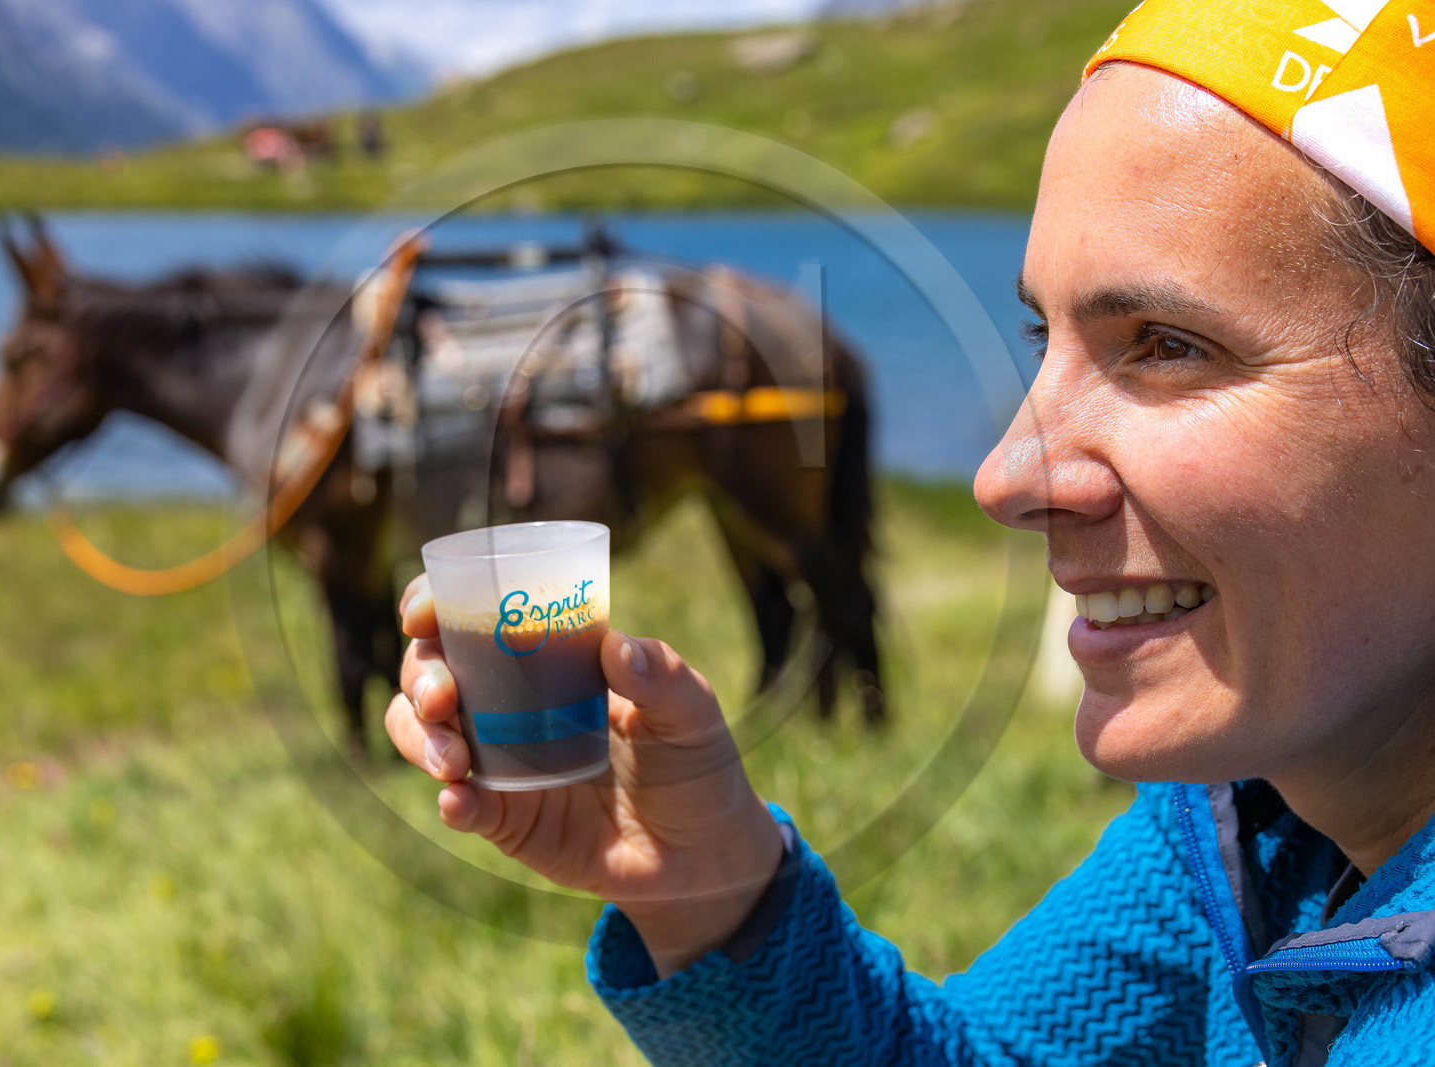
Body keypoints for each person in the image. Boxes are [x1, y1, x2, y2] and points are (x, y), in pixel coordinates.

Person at [384, 1, 1435, 1062]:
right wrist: (712, 885)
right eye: (1042, 337)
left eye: (1165, 345)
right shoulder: (1242, 824)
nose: (1005, 476)